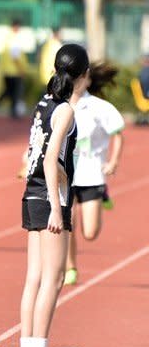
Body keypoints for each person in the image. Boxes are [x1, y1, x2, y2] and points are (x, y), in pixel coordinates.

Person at [17, 43, 88, 347]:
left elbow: (35, 150)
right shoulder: (66, 111)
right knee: (54, 277)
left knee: (34, 276)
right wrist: (59, 210)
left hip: (31, 193)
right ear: (83, 77)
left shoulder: (44, 103)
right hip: (50, 198)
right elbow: (49, 157)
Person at [64, 63, 124, 286]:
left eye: (82, 77)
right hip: (67, 175)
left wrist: (113, 161)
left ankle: (103, 194)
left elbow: (118, 134)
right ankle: (70, 266)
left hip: (91, 175)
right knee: (67, 220)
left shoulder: (100, 108)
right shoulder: (60, 105)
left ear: (88, 80)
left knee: (90, 233)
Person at [0, 19, 29, 119]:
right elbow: (15, 57)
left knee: (7, 91)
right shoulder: (14, 39)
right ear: (15, 27)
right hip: (14, 71)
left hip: (7, 70)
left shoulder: (8, 38)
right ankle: (14, 111)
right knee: (15, 92)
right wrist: (21, 70)